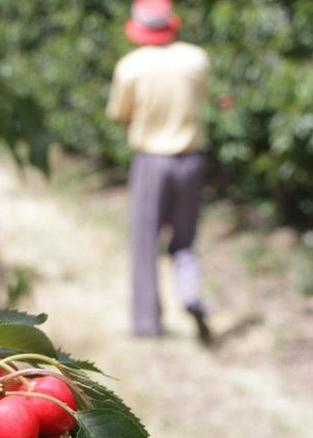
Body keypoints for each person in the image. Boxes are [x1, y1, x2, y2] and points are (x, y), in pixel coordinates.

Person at [106, 0, 213, 346]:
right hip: (192, 159)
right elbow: (201, 100)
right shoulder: (195, 59)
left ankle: (147, 322)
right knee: (184, 241)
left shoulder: (131, 67)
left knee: (144, 242)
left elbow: (120, 113)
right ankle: (191, 294)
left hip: (152, 160)